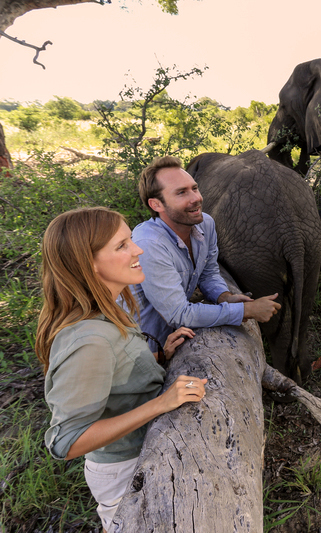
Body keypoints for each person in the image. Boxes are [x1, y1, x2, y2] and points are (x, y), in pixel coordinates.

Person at [35, 207, 208, 531]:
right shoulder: (90, 340)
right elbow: (66, 441)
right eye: (122, 245)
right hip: (125, 472)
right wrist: (161, 403)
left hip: (144, 455)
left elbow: (114, 376)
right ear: (89, 264)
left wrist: (159, 358)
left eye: (131, 240)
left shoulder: (110, 311)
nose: (138, 249)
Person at [131, 156, 281, 352]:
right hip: (143, 346)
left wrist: (224, 296)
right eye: (181, 193)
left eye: (194, 188)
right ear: (156, 205)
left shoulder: (205, 224)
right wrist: (247, 310)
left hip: (174, 338)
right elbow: (179, 314)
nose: (196, 198)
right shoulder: (149, 244)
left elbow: (207, 272)